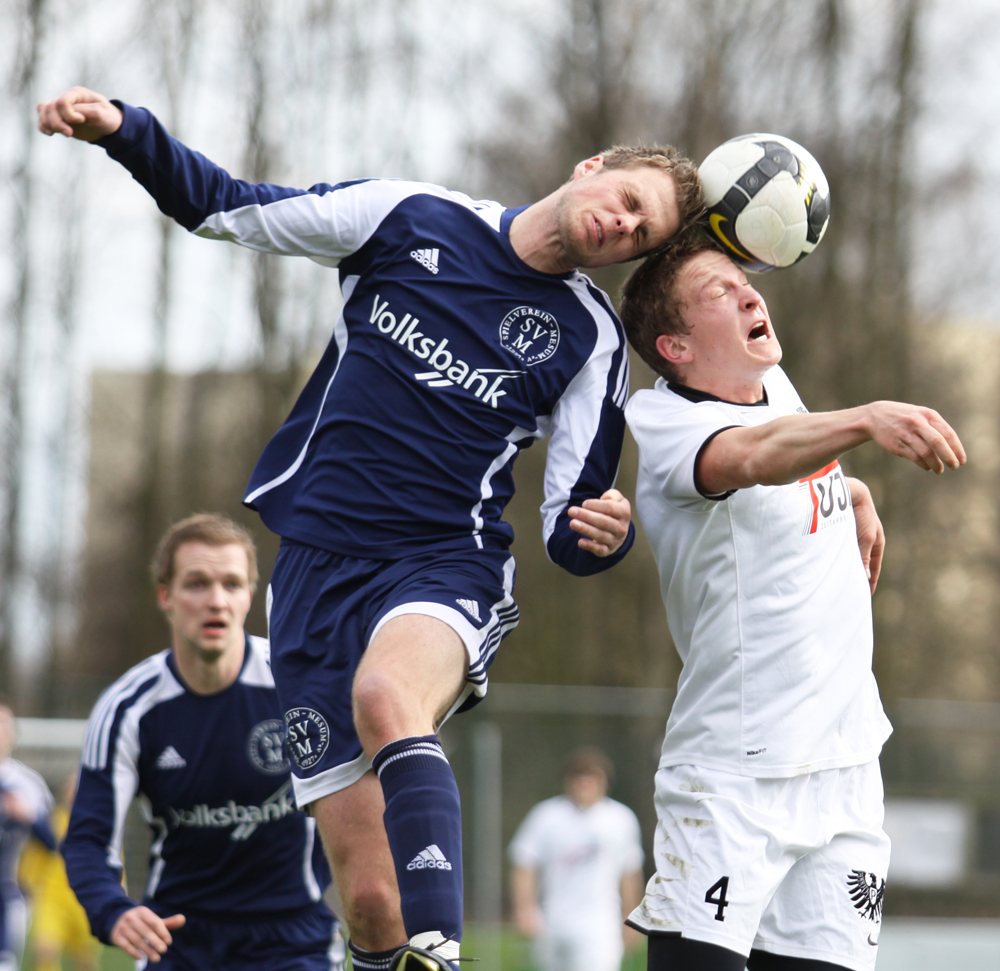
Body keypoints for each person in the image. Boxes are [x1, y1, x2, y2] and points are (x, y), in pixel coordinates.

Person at [36, 86, 706, 971]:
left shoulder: (589, 339)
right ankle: (401, 947)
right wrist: (127, 131)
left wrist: (604, 531)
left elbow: (569, 525)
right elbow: (228, 208)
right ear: (592, 170)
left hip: (441, 564)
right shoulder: (408, 216)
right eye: (627, 201)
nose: (624, 226)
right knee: (371, 899)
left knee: (387, 698)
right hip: (312, 574)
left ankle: (444, 952)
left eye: (643, 234)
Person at [618, 229, 966, 971]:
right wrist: (867, 421)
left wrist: (853, 489)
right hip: (734, 778)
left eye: (745, 282)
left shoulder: (771, 386)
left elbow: (788, 451)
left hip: (844, 774)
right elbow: (752, 457)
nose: (750, 293)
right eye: (719, 292)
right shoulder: (670, 424)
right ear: (675, 346)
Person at [62, 513, 345, 970]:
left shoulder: (301, 686)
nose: (216, 600)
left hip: (294, 940)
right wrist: (112, 910)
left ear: (250, 595)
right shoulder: (127, 708)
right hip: (176, 937)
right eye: (197, 584)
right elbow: (88, 840)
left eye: (232, 584)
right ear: (165, 595)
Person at [509, 748, 644, 971]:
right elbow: (524, 864)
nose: (585, 785)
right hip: (553, 923)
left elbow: (630, 873)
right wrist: (525, 909)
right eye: (579, 778)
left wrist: (631, 918)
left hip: (600, 927)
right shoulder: (546, 815)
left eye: (592, 778)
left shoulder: (621, 819)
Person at [18, 772, 100, 971]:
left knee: (84, 960)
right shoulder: (51, 820)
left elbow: (113, 861)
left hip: (84, 901)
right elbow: (34, 856)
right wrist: (27, 884)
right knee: (45, 950)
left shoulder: (98, 825)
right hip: (51, 899)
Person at [0, 703, 56, 971]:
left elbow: (53, 843)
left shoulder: (27, 783)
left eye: (4, 725)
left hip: (7, 893)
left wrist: (29, 815)